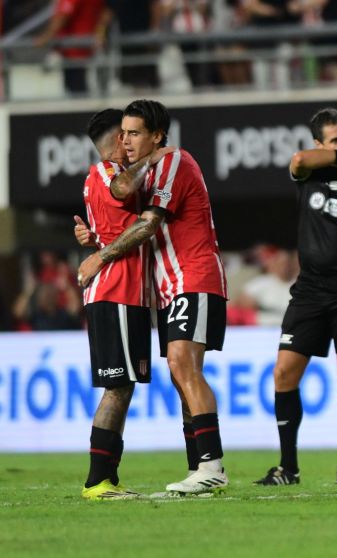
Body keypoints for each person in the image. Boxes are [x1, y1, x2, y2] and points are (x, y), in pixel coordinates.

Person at [77, 99, 230, 496]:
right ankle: (200, 467)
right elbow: (122, 206)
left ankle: (210, 464)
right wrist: (96, 237)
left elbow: (147, 225)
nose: (126, 141)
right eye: (122, 133)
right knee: (181, 377)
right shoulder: (142, 170)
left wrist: (99, 255)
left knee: (182, 366)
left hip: (193, 276)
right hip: (167, 287)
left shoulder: (174, 161)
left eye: (134, 133)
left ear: (156, 135)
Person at [253, 108, 337, 487]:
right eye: (335, 141)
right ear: (320, 145)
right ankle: (288, 467)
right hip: (309, 290)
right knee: (283, 373)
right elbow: (297, 160)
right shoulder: (310, 172)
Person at [72, 109, 153, 499]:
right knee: (116, 386)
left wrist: (91, 239)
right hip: (113, 290)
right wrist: (154, 158)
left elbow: (107, 227)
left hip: (126, 293)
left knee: (123, 386)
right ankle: (96, 481)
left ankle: (109, 477)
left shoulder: (98, 178)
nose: (130, 140)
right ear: (116, 140)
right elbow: (121, 189)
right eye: (126, 134)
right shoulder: (106, 171)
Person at [34, 0, 105, 94]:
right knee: (78, 88)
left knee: (76, 89)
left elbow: (63, 15)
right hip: (86, 46)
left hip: (73, 49)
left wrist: (45, 37)